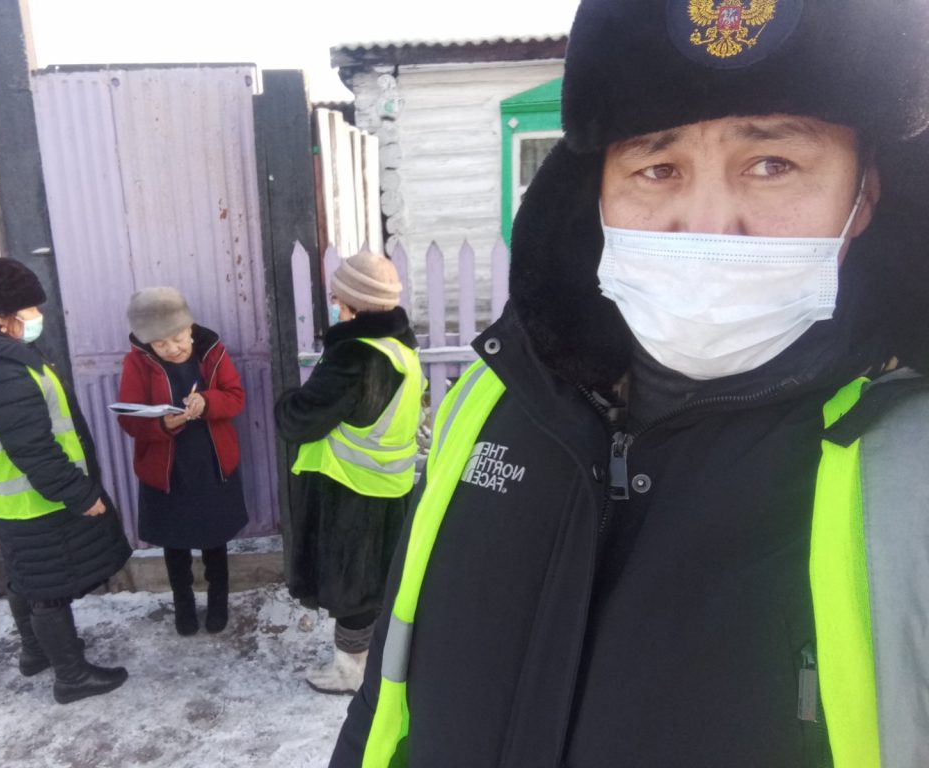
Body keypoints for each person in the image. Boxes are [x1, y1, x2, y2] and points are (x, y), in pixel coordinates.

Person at [332, 1, 929, 766]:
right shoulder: (492, 405)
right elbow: (386, 702)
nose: (707, 224)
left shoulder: (907, 476)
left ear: (863, 193)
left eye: (772, 165)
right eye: (658, 168)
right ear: (599, 193)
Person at [0, 258, 132, 704]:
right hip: (39, 503)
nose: (37, 315)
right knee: (50, 589)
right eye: (29, 307)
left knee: (25, 575)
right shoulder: (2, 372)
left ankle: (35, 651)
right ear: (0, 316)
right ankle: (72, 677)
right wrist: (80, 494)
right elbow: (35, 450)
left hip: (10, 502)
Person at [275, 250, 424, 695]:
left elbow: (298, 420)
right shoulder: (402, 350)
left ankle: (350, 671)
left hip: (349, 491)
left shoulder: (355, 356)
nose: (333, 300)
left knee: (352, 588)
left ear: (350, 301)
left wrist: (287, 398)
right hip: (390, 485)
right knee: (377, 583)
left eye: (337, 294)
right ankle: (376, 659)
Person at [117, 287, 248, 636]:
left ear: (190, 327)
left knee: (214, 540)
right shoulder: (137, 362)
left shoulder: (212, 352)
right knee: (175, 544)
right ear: (147, 343)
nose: (172, 348)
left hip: (211, 464)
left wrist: (207, 402)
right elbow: (129, 419)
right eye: (160, 344)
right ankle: (184, 605)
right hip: (167, 470)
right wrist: (163, 424)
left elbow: (236, 398)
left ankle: (218, 602)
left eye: (177, 338)